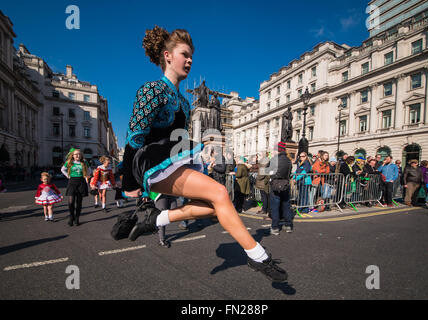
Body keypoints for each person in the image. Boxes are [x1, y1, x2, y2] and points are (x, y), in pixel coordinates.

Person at [121, 26, 287, 282]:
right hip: (150, 162)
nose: (189, 60)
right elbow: (134, 138)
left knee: (215, 207)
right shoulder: (151, 90)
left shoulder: (185, 103)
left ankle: (157, 218)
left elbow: (181, 139)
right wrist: (130, 184)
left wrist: (200, 156)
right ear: (167, 55)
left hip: (175, 157)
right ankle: (258, 256)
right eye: (184, 54)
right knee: (220, 193)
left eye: (191, 56)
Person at [61, 149, 92, 226]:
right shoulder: (69, 162)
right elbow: (63, 169)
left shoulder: (84, 162)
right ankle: (71, 217)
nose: (78, 155)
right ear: (73, 155)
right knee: (71, 202)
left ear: (81, 155)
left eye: (79, 154)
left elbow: (89, 171)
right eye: (76, 154)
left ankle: (77, 218)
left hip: (81, 182)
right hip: (72, 182)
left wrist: (85, 175)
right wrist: (68, 176)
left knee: (79, 202)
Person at [268, 142, 293, 235]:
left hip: (276, 184)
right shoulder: (288, 160)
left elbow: (268, 171)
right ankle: (288, 225)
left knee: (275, 207)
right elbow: (289, 172)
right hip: (285, 184)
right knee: (286, 206)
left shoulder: (274, 159)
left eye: (274, 150)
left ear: (277, 150)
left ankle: (275, 227)